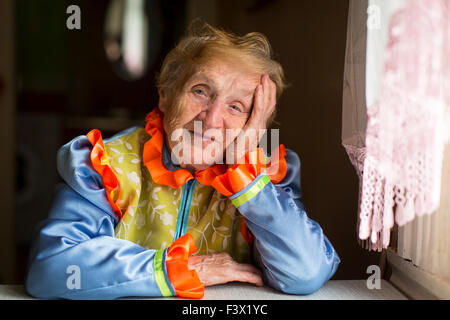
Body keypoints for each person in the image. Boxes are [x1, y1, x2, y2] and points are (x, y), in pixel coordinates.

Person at [25, 22, 340, 299]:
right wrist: (178, 269)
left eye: (236, 107)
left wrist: (246, 173)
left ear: (253, 125)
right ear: (166, 94)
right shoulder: (104, 163)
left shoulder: (265, 175)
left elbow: (305, 272)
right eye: (201, 91)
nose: (212, 119)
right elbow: (52, 267)